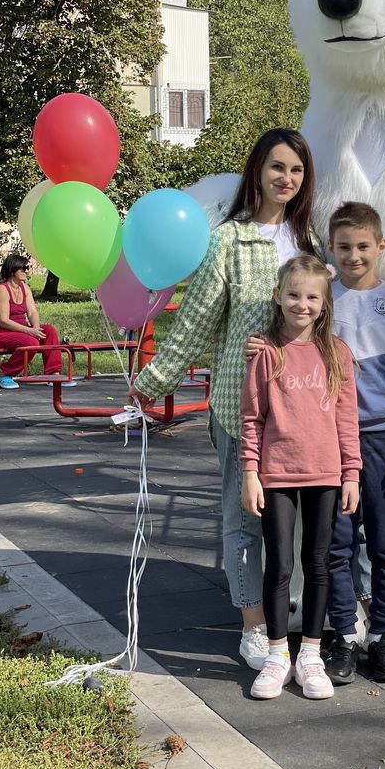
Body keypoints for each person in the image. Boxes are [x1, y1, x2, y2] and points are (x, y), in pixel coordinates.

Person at [129, 128, 320, 671]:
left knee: (310, 520)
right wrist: (154, 380)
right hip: (244, 407)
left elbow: (332, 318)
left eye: (298, 170)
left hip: (306, 409)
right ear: (257, 170)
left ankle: (307, 618)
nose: (287, 178)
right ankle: (254, 625)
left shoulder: (313, 241)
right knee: (246, 519)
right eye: (278, 167)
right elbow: (197, 322)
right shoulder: (228, 240)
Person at [247, 202, 385, 681]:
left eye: (362, 246)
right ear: (329, 251)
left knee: (384, 544)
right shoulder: (322, 298)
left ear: (380, 247)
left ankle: (381, 635)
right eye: (343, 247)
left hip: (382, 438)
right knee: (334, 547)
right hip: (327, 446)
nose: (354, 255)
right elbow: (290, 335)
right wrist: (261, 344)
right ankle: (341, 636)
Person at [240, 255, 361, 700]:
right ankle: (277, 655)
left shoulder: (337, 354)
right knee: (280, 565)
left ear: (325, 303)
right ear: (278, 297)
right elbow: (252, 418)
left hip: (326, 476)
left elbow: (348, 420)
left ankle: (310, 653)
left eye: (312, 296)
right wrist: (250, 473)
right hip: (277, 475)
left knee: (319, 562)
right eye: (293, 294)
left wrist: (352, 473)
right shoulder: (264, 353)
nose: (302, 304)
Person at [0, 254, 75, 390]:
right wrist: (30, 331)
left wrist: (36, 327)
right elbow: (3, 321)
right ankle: (6, 374)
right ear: (12, 271)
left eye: (27, 267)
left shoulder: (25, 288)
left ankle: (53, 374)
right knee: (31, 343)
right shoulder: (1, 290)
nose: (26, 271)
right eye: (23, 268)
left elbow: (32, 312)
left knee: (49, 331)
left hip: (21, 330)